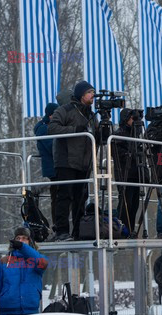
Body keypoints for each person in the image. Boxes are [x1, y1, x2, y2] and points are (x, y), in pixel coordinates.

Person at [48, 80, 98, 241]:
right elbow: (52, 128)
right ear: (81, 95)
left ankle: (78, 231)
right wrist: (75, 130)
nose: (93, 95)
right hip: (66, 160)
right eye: (90, 92)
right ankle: (62, 231)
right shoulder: (65, 110)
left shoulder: (91, 114)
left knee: (81, 198)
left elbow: (98, 137)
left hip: (84, 162)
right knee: (65, 196)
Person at [0, 227, 48, 315]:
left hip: (31, 313)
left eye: (24, 238)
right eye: (18, 238)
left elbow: (43, 264)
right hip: (7, 314)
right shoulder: (3, 261)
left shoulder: (37, 258)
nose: (21, 241)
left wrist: (23, 248)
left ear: (30, 241)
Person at [112, 109, 141, 235]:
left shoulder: (136, 134)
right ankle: (123, 229)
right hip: (124, 174)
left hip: (136, 174)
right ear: (126, 119)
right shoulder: (119, 134)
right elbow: (119, 154)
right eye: (132, 119)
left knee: (135, 204)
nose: (135, 121)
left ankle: (130, 229)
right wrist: (133, 154)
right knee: (126, 203)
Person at [34, 102, 59, 223]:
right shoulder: (43, 128)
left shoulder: (46, 127)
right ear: (51, 115)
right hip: (54, 168)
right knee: (57, 198)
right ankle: (57, 226)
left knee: (60, 197)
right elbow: (52, 147)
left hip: (57, 166)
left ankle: (58, 226)